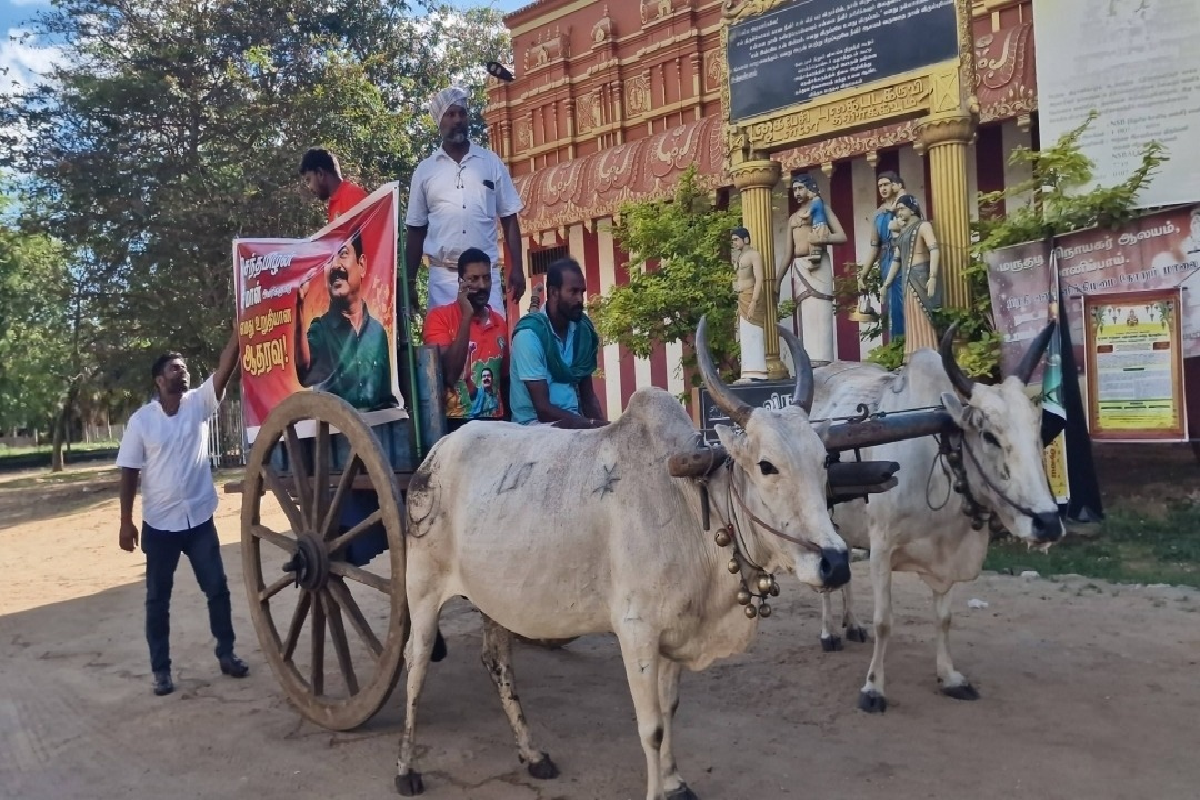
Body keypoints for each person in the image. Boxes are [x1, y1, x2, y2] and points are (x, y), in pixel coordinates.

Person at [116, 326, 248, 696]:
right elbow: (128, 472)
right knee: (158, 600)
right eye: (175, 368)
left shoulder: (199, 404)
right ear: (159, 380)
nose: (183, 372)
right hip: (160, 525)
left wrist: (239, 330)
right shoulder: (142, 421)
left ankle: (226, 653)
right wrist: (126, 522)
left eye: (184, 368)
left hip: (199, 520)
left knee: (217, 589)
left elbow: (224, 370)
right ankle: (162, 671)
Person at [405, 85, 526, 318]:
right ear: (439, 122)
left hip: (484, 280)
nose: (457, 119)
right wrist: (409, 281)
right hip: (443, 280)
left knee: (492, 347)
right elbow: (416, 231)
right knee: (444, 349)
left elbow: (510, 218)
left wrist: (518, 268)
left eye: (462, 113)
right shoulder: (425, 171)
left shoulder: (490, 162)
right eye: (450, 114)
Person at [295, 231, 395, 411]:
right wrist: (300, 305)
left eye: (342, 254)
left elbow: (386, 398)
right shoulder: (321, 330)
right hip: (334, 436)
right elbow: (304, 372)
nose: (334, 265)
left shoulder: (378, 333)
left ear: (362, 264)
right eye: (327, 259)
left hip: (375, 435)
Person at [510, 257, 606, 428]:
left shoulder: (582, 331)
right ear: (554, 292)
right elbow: (543, 410)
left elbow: (588, 396)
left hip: (575, 424)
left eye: (582, 292)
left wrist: (607, 431)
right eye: (573, 292)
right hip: (534, 428)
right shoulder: (529, 335)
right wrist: (592, 425)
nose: (579, 299)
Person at [423, 247, 510, 431]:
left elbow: (504, 379)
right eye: (474, 279)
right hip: (455, 427)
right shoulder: (439, 318)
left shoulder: (499, 323)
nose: (482, 285)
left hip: (495, 427)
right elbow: (450, 375)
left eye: (486, 278)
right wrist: (466, 317)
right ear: (460, 282)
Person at [884, 194, 942, 356]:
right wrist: (886, 284)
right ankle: (913, 353)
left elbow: (934, 250)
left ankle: (930, 351)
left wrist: (933, 276)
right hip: (907, 279)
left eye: (902, 209)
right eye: (897, 210)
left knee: (923, 315)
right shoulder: (903, 232)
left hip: (921, 276)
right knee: (911, 316)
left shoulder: (923, 226)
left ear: (912, 208)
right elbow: (896, 260)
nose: (899, 213)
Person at [859, 171, 906, 339]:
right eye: (880, 186)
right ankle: (897, 347)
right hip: (886, 259)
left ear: (894, 184)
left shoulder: (905, 206)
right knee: (893, 306)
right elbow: (874, 247)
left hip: (906, 257)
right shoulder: (878, 214)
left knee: (908, 303)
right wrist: (863, 274)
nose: (883, 188)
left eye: (886, 184)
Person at [731, 227, 768, 382]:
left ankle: (758, 371)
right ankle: (747, 371)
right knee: (745, 334)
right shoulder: (739, 256)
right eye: (733, 240)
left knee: (754, 333)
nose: (734, 242)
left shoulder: (754, 255)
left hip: (752, 296)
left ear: (745, 239)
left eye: (736, 239)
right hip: (741, 298)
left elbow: (759, 279)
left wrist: (754, 301)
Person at [299, 147, 369, 223]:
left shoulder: (353, 196)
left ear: (320, 173)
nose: (309, 187)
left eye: (309, 179)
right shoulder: (334, 204)